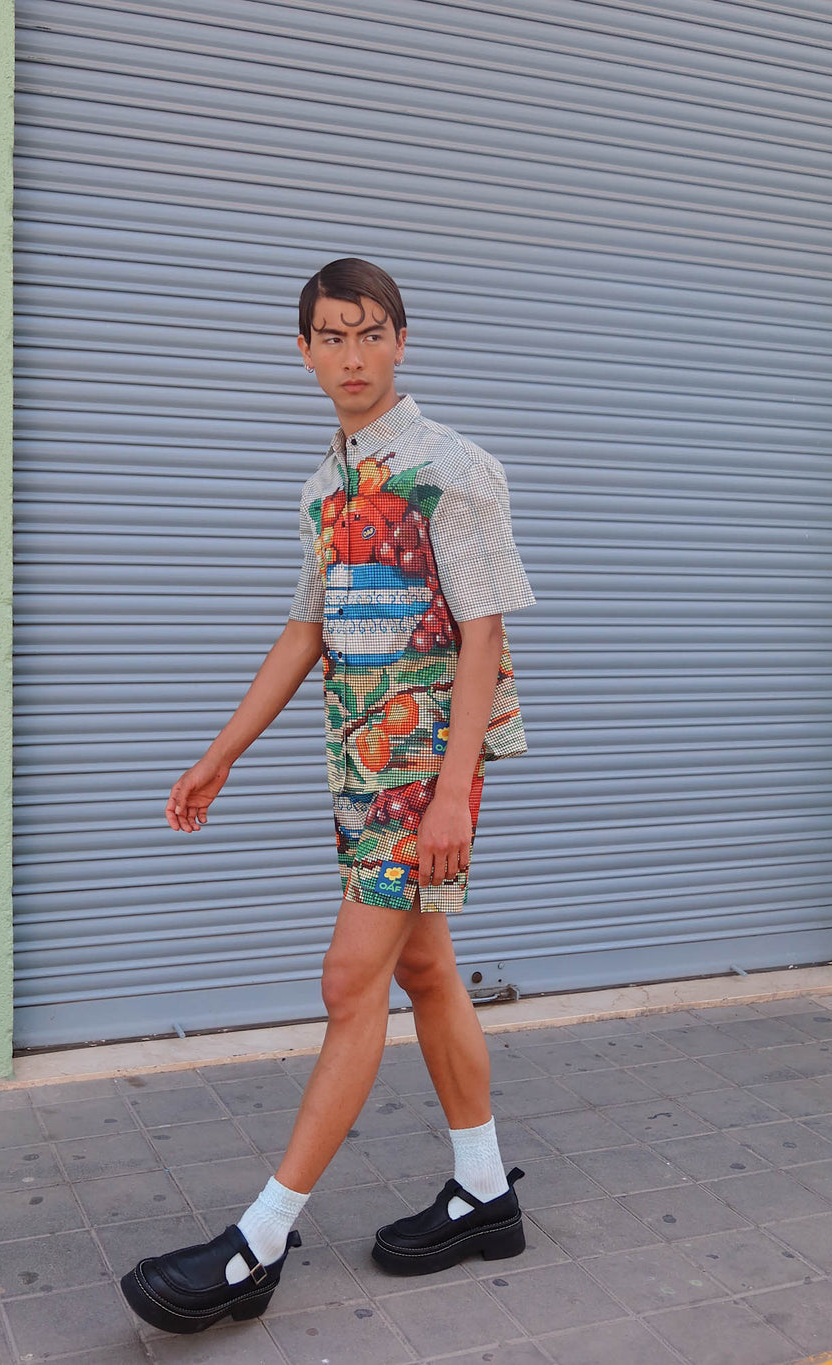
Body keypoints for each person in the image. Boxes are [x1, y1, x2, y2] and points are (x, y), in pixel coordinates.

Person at [121, 258, 535, 1335]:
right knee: (425, 971)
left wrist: (452, 796)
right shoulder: (325, 486)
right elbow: (306, 629)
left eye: (369, 333)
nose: (352, 356)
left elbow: (484, 634)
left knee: (350, 982)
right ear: (303, 352)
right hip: (360, 765)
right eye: (331, 337)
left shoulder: (453, 470)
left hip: (424, 775)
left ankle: (256, 1243)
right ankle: (484, 1194)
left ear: (400, 339)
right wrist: (221, 754)